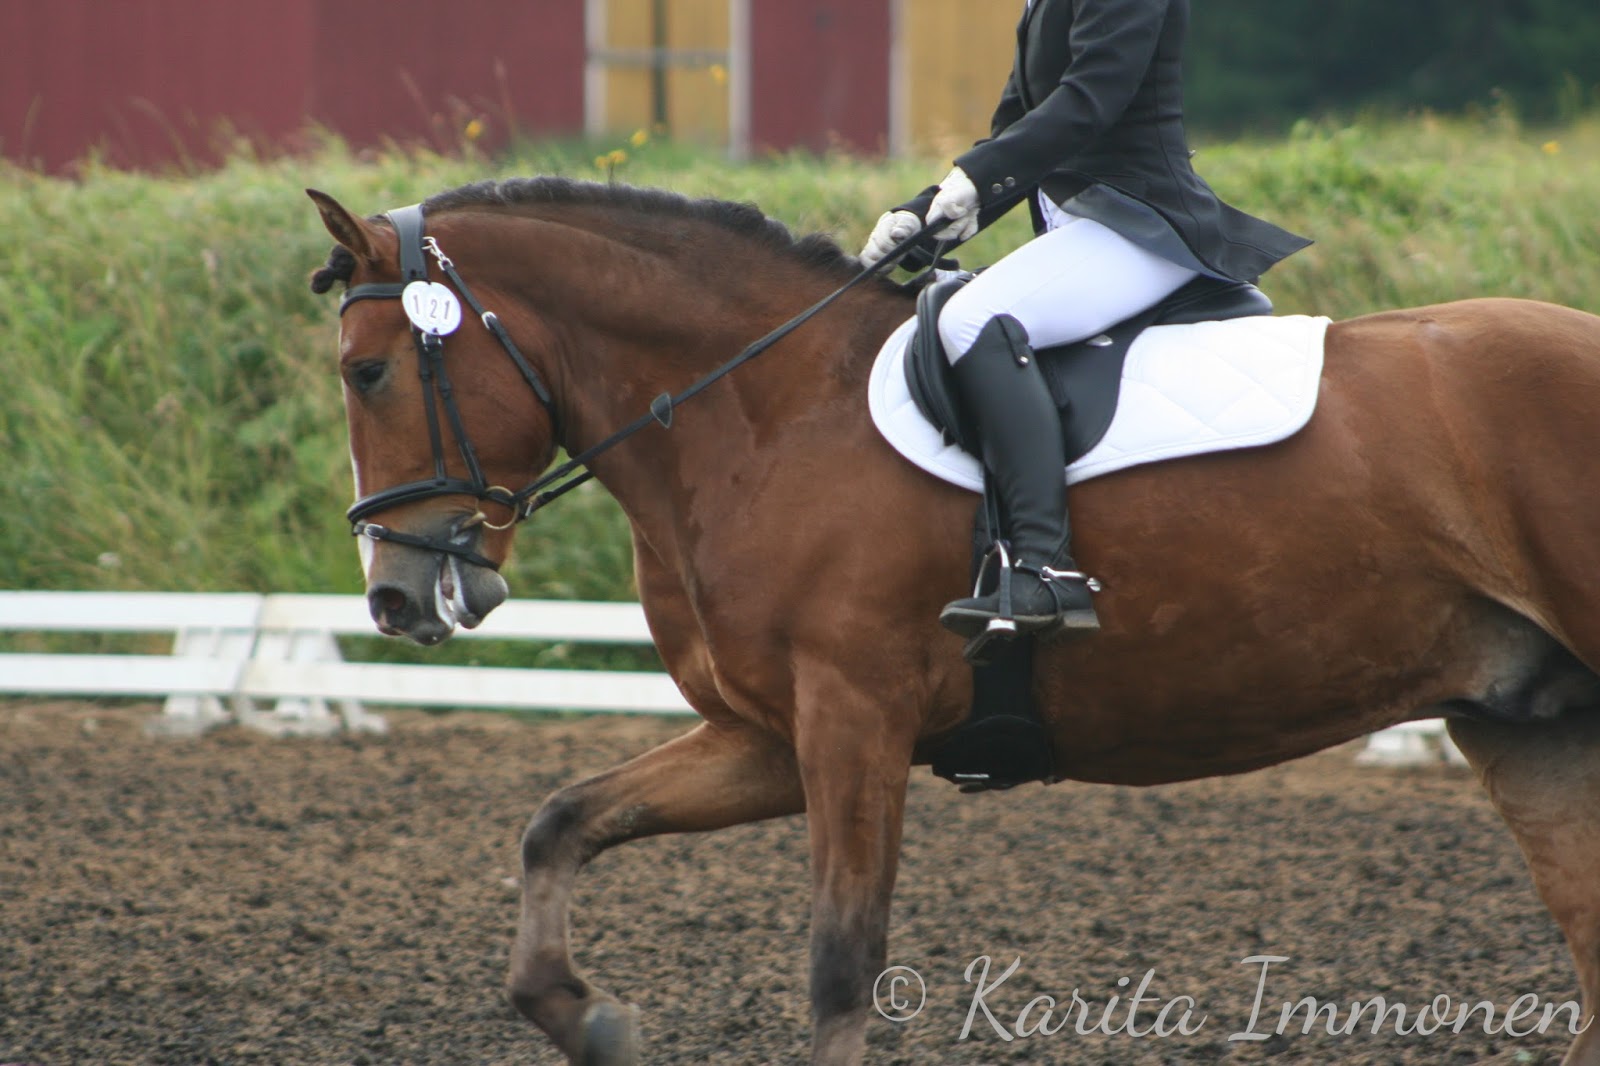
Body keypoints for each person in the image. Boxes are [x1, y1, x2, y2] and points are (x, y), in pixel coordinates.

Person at [861, 0, 1310, 654]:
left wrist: (974, 180)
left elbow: (1090, 98)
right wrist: (924, 216)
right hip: (1087, 229)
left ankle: (1046, 569)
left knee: (976, 319)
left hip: (1143, 223)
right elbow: (1021, 126)